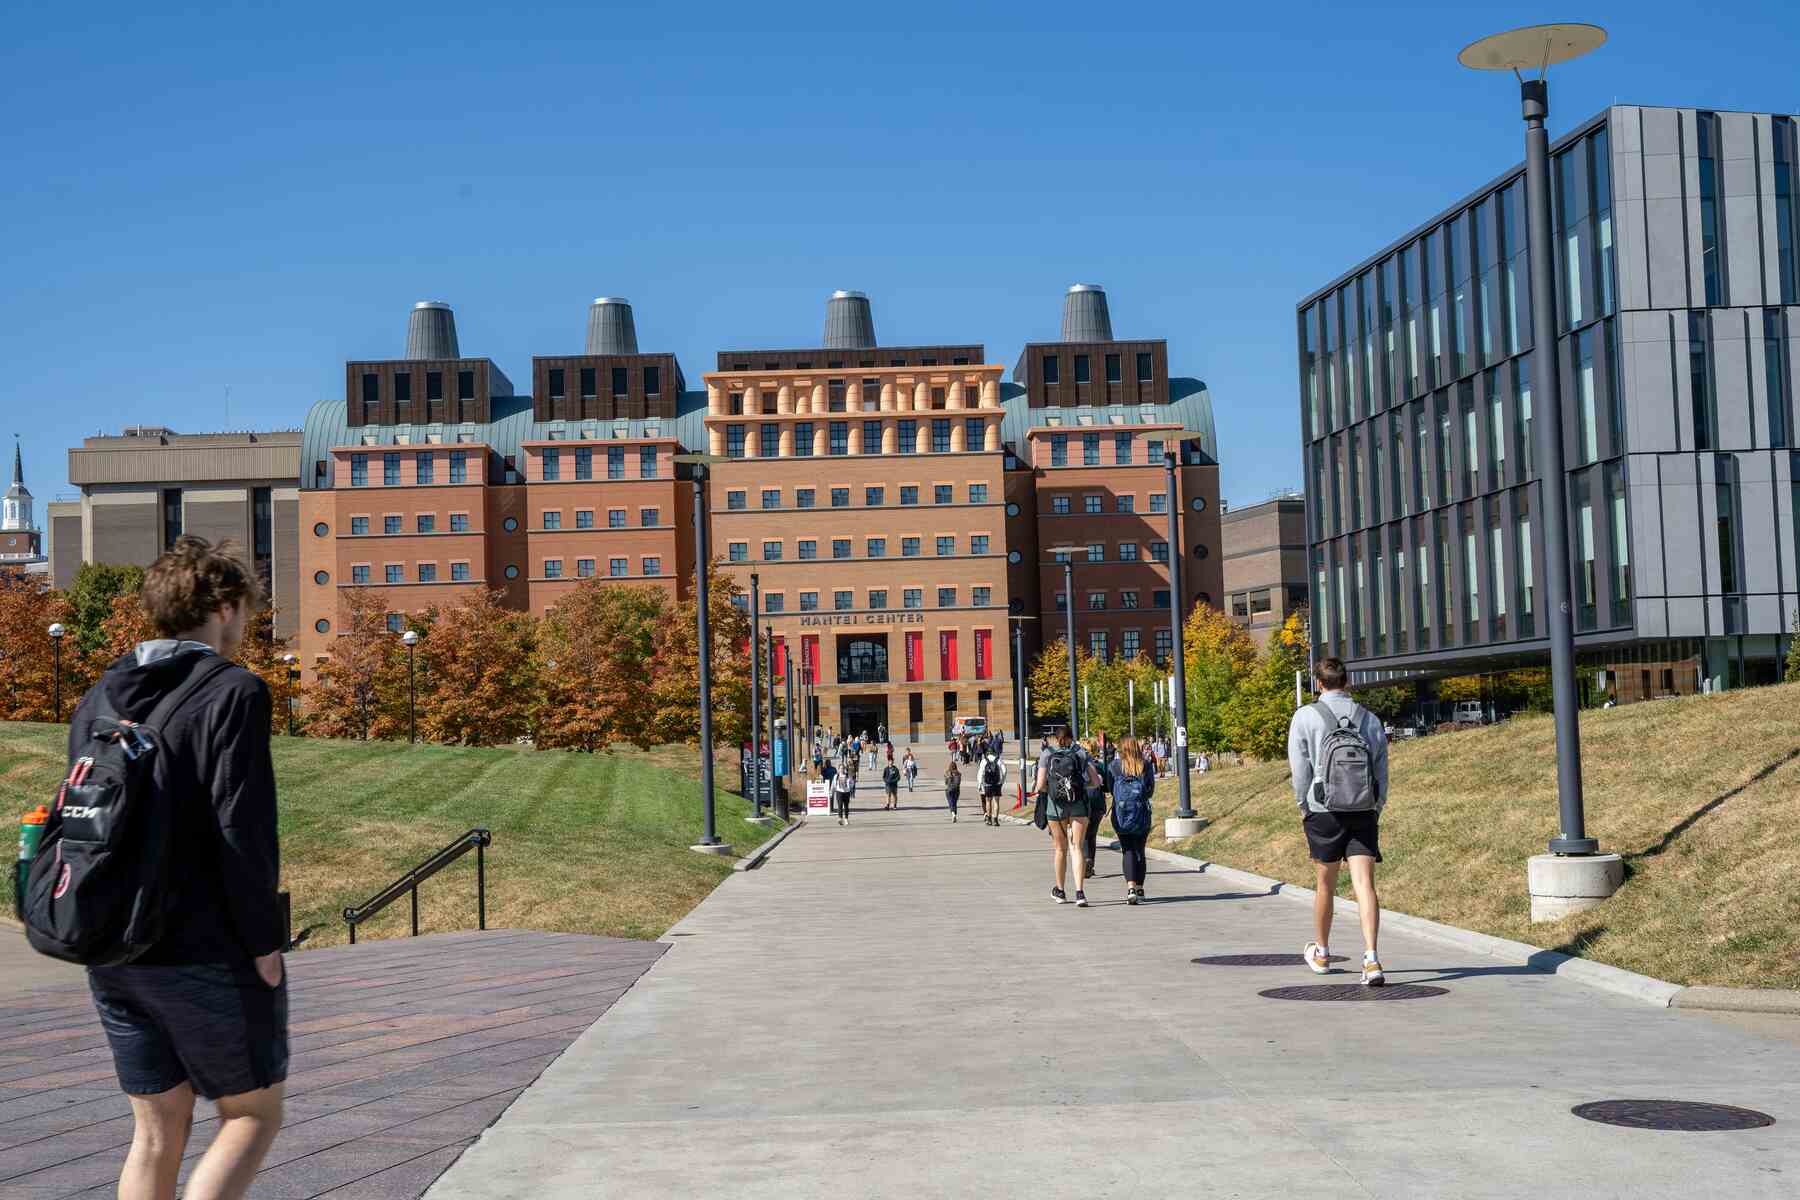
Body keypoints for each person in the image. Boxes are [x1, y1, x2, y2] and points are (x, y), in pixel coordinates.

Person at [71, 537, 287, 1200]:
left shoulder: (101, 695)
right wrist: (265, 944)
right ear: (222, 608)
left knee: (157, 1133)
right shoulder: (234, 692)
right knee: (251, 1113)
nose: (246, 625)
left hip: (111, 943)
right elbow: (241, 830)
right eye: (244, 611)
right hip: (201, 945)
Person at [1288, 656, 1390, 987]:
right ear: (1346, 681)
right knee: (1365, 885)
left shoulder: (1305, 717)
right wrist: (1377, 805)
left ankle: (1321, 952)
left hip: (1323, 811)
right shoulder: (1369, 719)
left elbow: (1300, 770)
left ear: (1318, 683)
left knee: (1325, 885)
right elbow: (1381, 768)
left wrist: (1304, 805)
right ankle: (1372, 959)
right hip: (1362, 810)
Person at [1031, 728, 1103, 906]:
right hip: (1078, 805)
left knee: (1060, 849)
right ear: (1072, 737)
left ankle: (1060, 891)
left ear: (1056, 738)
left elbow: (1040, 785)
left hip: (1055, 806)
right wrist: (1079, 787)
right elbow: (1096, 782)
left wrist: (1053, 791)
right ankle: (1080, 893)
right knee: (1077, 848)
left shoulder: (1047, 754)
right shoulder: (1080, 753)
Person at [1109, 737, 1156, 904]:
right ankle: (1140, 889)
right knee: (1139, 850)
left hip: (1121, 813)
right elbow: (1150, 790)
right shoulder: (1146, 764)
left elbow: (1110, 788)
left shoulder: (1115, 766)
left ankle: (1130, 888)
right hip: (1141, 812)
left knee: (1127, 849)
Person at [1080, 736, 1109, 881]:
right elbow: (1106, 786)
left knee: (1083, 834)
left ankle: (1085, 861)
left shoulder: (1080, 765)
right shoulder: (1101, 766)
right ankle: (1090, 860)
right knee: (1092, 835)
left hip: (1083, 802)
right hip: (1098, 802)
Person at [976, 746, 1007, 826]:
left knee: (988, 801)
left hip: (987, 784)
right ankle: (995, 820)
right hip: (997, 783)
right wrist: (1002, 781)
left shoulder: (984, 760)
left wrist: (980, 784)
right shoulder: (998, 759)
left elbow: (980, 773)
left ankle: (989, 819)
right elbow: (1004, 771)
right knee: (996, 802)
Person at [832, 761, 857, 826]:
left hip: (846, 792)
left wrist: (850, 787)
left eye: (843, 768)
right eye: (840, 768)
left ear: (844, 769)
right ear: (838, 769)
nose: (842, 769)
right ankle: (840, 818)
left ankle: (846, 818)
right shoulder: (836, 776)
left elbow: (852, 783)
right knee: (840, 805)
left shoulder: (848, 776)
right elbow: (833, 784)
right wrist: (832, 791)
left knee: (846, 806)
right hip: (839, 792)